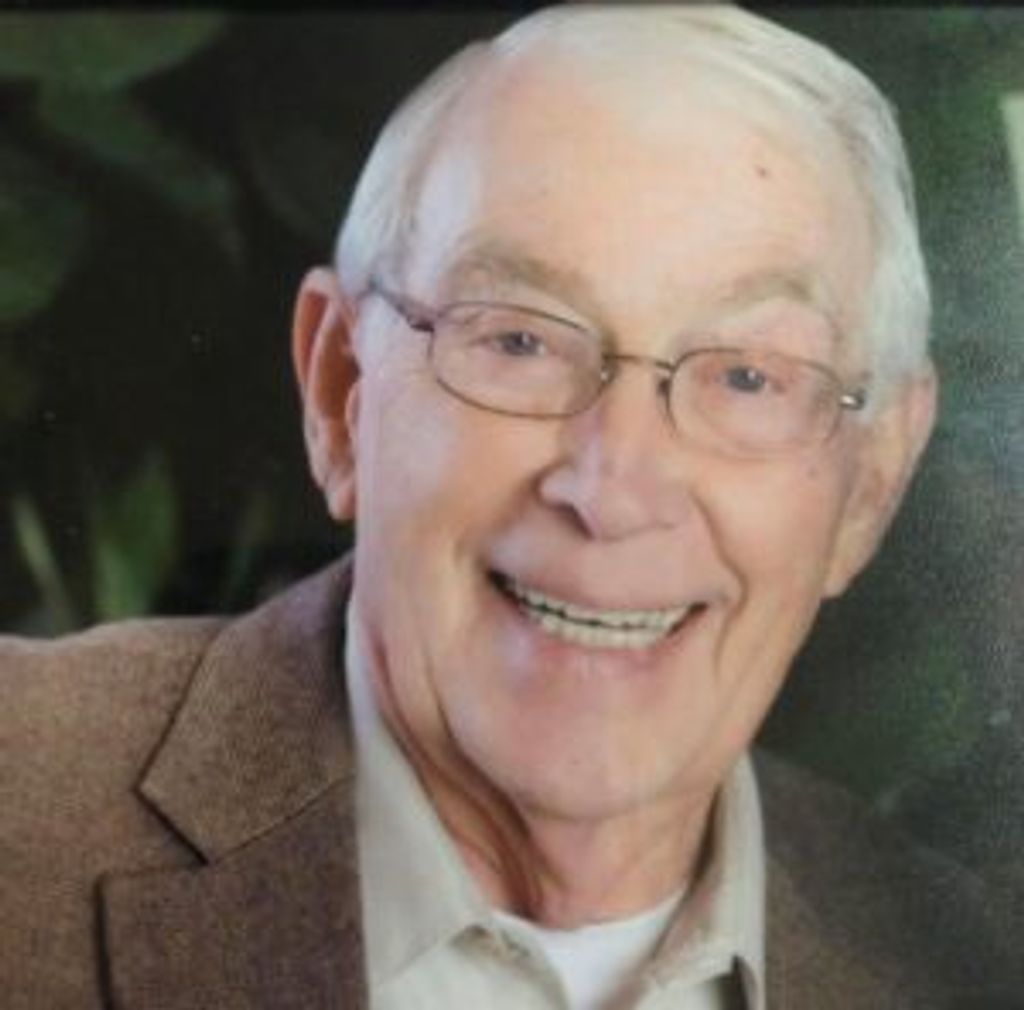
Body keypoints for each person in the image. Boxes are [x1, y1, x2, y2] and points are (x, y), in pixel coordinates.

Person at [2, 5, 1021, 1009]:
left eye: (748, 377)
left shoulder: (963, 963)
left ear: (871, 481)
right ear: (339, 390)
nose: (612, 490)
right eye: (520, 340)